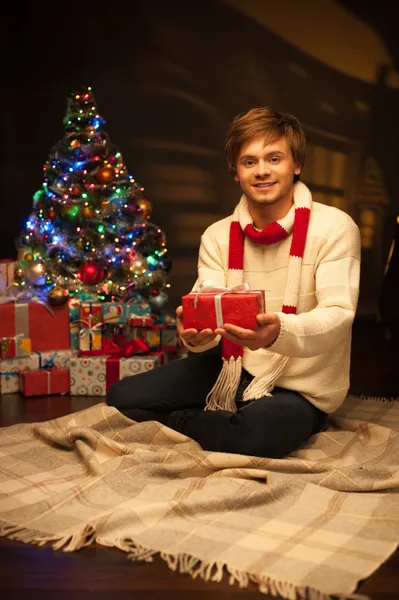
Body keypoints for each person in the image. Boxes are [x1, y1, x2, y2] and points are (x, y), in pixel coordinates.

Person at [107, 106, 361, 458]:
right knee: (121, 398)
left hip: (300, 386)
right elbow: (205, 309)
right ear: (235, 172)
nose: (262, 171)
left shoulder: (335, 228)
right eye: (249, 161)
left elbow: (338, 315)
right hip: (231, 366)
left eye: (274, 158)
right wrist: (193, 335)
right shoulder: (217, 236)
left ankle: (210, 422)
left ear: (296, 164)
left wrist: (277, 332)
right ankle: (222, 419)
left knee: (257, 437)